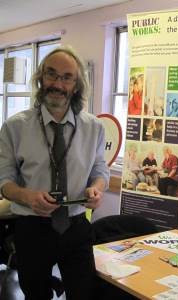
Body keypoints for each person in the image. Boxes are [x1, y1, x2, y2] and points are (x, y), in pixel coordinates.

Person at [0, 47, 110, 299]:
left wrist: (98, 187)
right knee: (36, 295)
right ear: (40, 78)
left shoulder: (94, 127)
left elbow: (99, 169)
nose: (57, 84)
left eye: (67, 77)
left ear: (76, 85)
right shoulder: (14, 127)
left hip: (77, 226)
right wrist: (27, 197)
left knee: (84, 293)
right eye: (51, 74)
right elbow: (3, 180)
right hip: (32, 228)